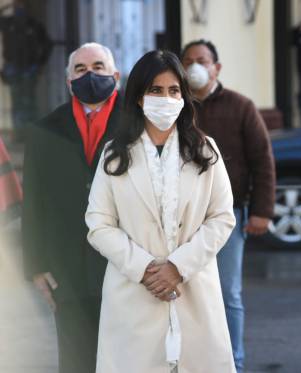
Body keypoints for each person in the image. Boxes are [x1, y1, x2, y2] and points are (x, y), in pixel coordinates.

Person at [85, 50, 236, 373]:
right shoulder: (115, 154)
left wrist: (179, 266)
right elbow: (98, 223)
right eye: (155, 90)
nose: (165, 99)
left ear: (183, 98)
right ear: (139, 97)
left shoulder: (204, 150)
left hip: (193, 288)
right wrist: (145, 269)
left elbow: (222, 218)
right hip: (133, 293)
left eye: (173, 91)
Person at [22, 42, 121, 373]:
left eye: (98, 67)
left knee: (126, 358)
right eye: (80, 69)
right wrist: (35, 265)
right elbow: (34, 201)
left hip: (124, 263)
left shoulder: (139, 126)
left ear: (115, 76)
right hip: (67, 268)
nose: (89, 75)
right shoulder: (44, 130)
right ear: (68, 81)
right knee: (76, 360)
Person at [180, 39, 275, 372]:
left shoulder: (241, 106)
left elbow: (262, 160)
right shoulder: (175, 105)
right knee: (185, 290)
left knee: (226, 292)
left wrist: (262, 211)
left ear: (216, 67)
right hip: (180, 216)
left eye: (202, 60)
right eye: (188, 60)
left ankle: (233, 361)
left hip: (227, 216)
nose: (195, 66)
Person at [0, 0, 52, 141]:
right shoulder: (7, 23)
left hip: (29, 70)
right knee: (17, 102)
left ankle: (31, 135)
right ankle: (19, 134)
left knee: (29, 103)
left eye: (21, 6)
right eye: (17, 6)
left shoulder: (34, 25)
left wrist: (39, 64)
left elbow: (48, 45)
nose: (19, 9)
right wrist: (8, 6)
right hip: (13, 70)